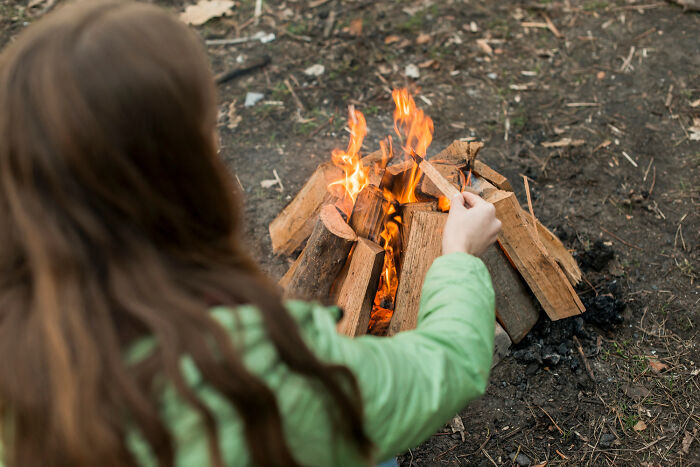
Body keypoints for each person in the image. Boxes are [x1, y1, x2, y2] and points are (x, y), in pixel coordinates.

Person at [0, 1, 501, 466]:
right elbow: (446, 366)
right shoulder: (247, 371)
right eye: (205, 130)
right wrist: (457, 256)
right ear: (178, 171)